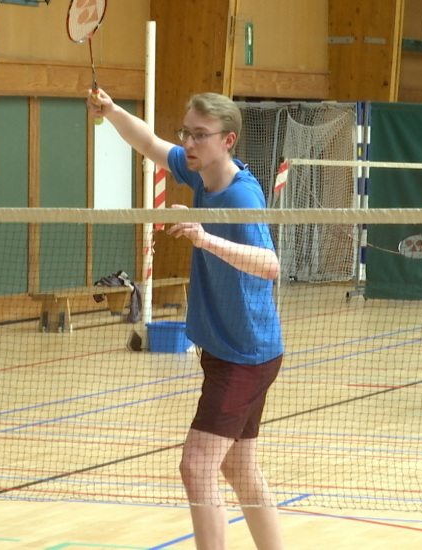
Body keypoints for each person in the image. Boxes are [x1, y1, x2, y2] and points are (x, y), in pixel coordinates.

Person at [87, 90, 284, 549]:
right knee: (237, 467)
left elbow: (269, 264)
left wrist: (205, 237)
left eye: (200, 135)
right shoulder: (201, 175)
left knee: (196, 467)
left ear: (227, 139)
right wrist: (113, 111)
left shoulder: (240, 197)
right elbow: (151, 144)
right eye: (187, 133)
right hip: (228, 349)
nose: (189, 143)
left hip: (246, 352)